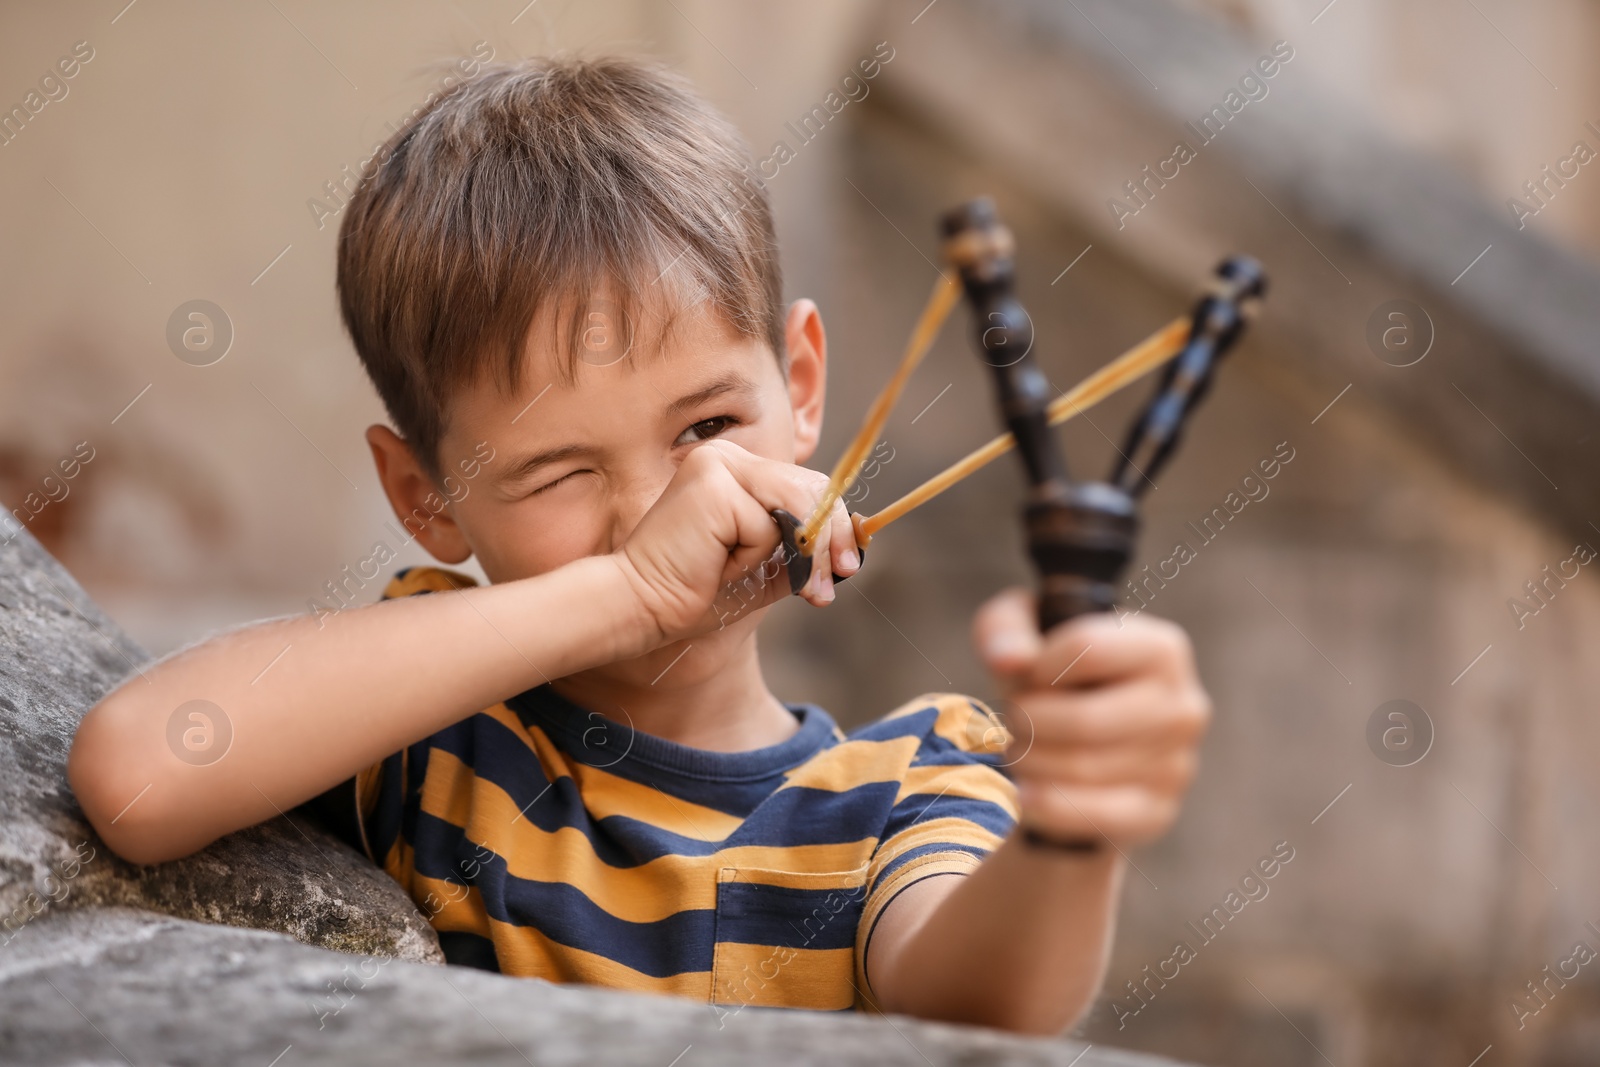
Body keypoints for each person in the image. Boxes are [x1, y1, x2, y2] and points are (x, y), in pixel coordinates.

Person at [68, 55, 1210, 1034]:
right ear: (425, 497)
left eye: (709, 426)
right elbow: (138, 771)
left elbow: (984, 1005)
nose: (671, 503)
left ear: (801, 385)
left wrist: (1071, 825)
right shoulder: (433, 726)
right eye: (561, 471)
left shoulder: (900, 792)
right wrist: (625, 591)